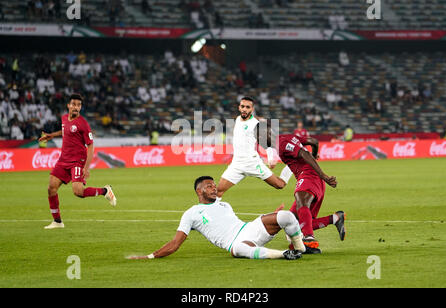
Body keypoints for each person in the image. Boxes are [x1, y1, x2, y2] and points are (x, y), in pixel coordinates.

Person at [127, 176, 305, 260]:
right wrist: (150, 256)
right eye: (208, 186)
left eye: (214, 185)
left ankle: (301, 248)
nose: (214, 188)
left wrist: (271, 217)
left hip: (249, 229)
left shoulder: (224, 204)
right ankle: (284, 255)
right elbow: (175, 244)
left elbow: (236, 224)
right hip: (235, 244)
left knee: (285, 215)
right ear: (199, 191)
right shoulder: (191, 213)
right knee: (240, 249)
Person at [38, 94, 117, 229]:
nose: (76, 107)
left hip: (77, 161)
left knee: (78, 192)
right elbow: (65, 131)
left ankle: (105, 191)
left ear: (81, 107)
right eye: (73, 104)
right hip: (63, 159)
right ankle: (57, 222)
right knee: (51, 188)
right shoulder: (64, 118)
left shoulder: (83, 124)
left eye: (78, 105)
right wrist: (52, 135)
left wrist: (86, 168)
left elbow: (91, 146)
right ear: (68, 106)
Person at [277, 133, 346, 254]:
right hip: (312, 176)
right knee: (293, 222)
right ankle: (335, 218)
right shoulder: (288, 137)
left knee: (301, 200)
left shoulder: (281, 144)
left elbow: (305, 153)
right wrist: (314, 156)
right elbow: (314, 141)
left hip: (308, 175)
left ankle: (309, 240)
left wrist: (324, 176)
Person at [216, 97, 291, 200]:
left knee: (280, 185)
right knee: (218, 191)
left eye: (248, 107)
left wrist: (270, 158)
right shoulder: (238, 119)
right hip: (236, 164)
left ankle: (291, 166)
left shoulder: (255, 124)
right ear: (239, 107)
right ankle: (214, 212)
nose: (244, 109)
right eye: (242, 106)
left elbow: (265, 142)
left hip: (252, 163)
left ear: (252, 109)